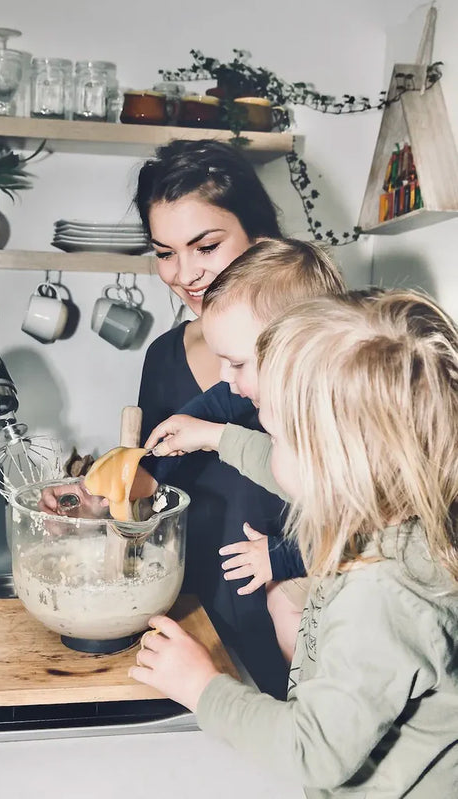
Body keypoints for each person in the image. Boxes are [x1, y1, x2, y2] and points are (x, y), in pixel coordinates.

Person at [131, 288, 458, 797]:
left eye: (279, 435)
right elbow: (287, 473)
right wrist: (216, 437)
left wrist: (203, 687)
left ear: (334, 465)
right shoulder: (389, 511)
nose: (269, 440)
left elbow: (313, 751)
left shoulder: (380, 596)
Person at [134, 139, 291, 696]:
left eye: (206, 246)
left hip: (291, 611)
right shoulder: (162, 356)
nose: (184, 274)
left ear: (261, 236)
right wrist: (101, 492)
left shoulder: (325, 346)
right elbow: (157, 476)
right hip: (197, 613)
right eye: (165, 252)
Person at [145, 237, 347, 662]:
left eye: (236, 363)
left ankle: (309, 707)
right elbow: (222, 400)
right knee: (283, 602)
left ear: (298, 351)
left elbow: (359, 530)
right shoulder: (288, 389)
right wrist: (200, 429)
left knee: (289, 608)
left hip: (349, 568)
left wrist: (282, 556)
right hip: (330, 563)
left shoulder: (343, 424)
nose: (225, 376)